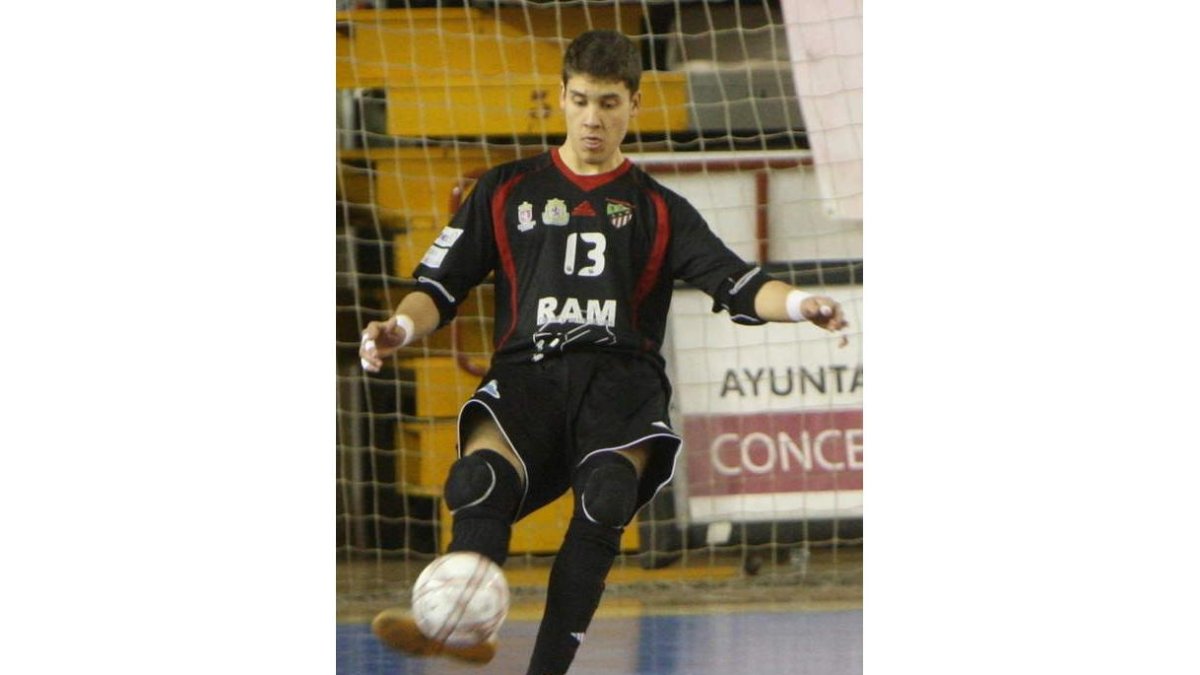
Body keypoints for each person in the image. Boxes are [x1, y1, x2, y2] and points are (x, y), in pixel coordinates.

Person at [358, 29, 849, 675]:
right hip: (528, 379)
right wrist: (399, 325)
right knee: (478, 480)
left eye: (610, 103)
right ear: (562, 96)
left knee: (608, 494)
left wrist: (800, 304)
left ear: (634, 106)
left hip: (620, 384)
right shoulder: (507, 190)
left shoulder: (659, 208)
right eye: (583, 99)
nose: (593, 118)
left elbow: (737, 282)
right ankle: (458, 621)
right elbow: (437, 286)